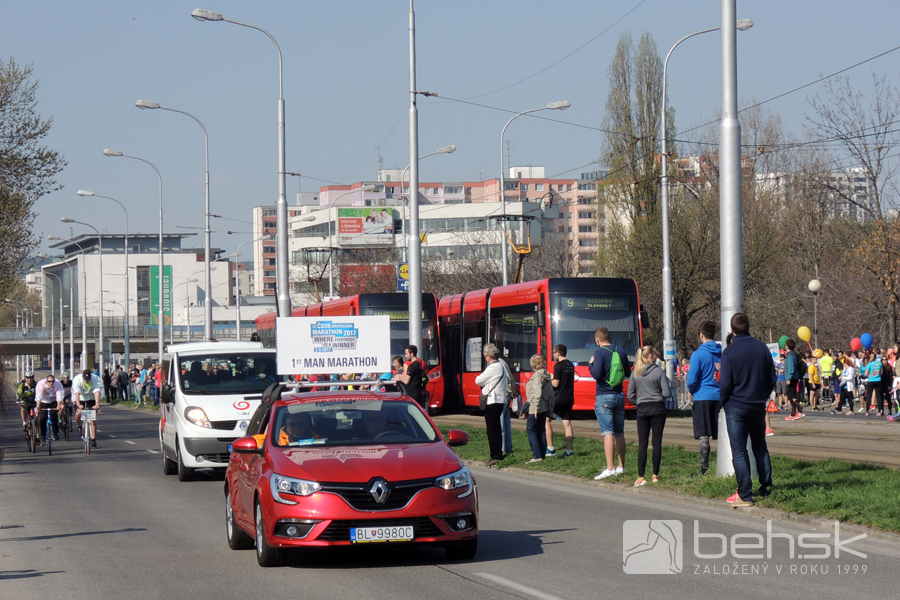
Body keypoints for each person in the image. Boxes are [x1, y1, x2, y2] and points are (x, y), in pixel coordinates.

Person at [719, 312, 776, 507]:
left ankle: (745, 494)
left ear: (732, 329)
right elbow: (772, 377)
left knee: (739, 451)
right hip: (757, 404)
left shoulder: (730, 352)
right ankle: (767, 487)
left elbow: (725, 383)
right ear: (748, 326)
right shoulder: (762, 348)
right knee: (760, 446)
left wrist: (724, 401)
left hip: (736, 405)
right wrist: (762, 395)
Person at [588, 326, 631, 480]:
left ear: (597, 340)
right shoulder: (621, 351)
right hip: (619, 395)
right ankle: (621, 466)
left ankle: (610, 468)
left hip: (604, 396)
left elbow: (596, 374)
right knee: (619, 433)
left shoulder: (599, 353)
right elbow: (628, 372)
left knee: (608, 433)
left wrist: (590, 364)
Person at [626, 345, 669, 487]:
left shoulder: (636, 373)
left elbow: (630, 395)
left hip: (642, 409)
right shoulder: (659, 372)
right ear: (651, 356)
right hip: (658, 408)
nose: (657, 356)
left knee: (642, 443)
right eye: (655, 354)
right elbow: (667, 393)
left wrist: (639, 402)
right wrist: (658, 397)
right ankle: (655, 475)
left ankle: (641, 476)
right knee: (657, 442)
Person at [686, 321, 722, 474]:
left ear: (701, 335)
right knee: (723, 434)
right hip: (719, 397)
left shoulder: (698, 355)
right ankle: (726, 465)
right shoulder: (722, 353)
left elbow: (692, 380)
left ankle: (705, 468)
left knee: (703, 435)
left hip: (702, 397)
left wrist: (693, 391)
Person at [475, 343, 506, 466]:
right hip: (498, 400)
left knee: (492, 430)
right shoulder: (500, 365)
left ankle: (496, 455)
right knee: (495, 428)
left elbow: (478, 380)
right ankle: (497, 453)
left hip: (493, 401)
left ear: (488, 356)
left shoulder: (493, 367)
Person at [524, 354, 553, 464]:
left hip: (535, 407)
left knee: (531, 430)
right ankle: (542, 454)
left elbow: (537, 391)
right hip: (544, 407)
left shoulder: (537, 376)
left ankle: (536, 455)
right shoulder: (546, 374)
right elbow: (550, 393)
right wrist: (550, 408)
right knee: (541, 431)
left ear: (533, 364)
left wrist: (536, 406)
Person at [547, 344, 575, 458]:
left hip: (558, 398)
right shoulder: (570, 364)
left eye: (554, 353)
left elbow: (556, 383)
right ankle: (569, 451)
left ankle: (551, 449)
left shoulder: (558, 365)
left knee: (546, 420)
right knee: (567, 423)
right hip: (569, 397)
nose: (554, 355)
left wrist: (549, 378)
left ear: (558, 353)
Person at [73, 368, 103, 448]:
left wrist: (97, 404)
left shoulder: (96, 379)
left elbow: (97, 392)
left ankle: (93, 439)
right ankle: (79, 426)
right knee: (78, 413)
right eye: (85, 379)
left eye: (88, 379)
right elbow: (77, 393)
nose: (87, 381)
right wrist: (78, 404)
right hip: (81, 398)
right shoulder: (77, 379)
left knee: (92, 420)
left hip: (91, 398)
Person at [34, 373, 65, 444]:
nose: (51, 383)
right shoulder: (41, 384)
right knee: (42, 418)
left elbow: (59, 395)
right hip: (43, 401)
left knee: (54, 415)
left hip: (53, 401)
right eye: (49, 381)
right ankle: (43, 436)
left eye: (52, 381)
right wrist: (38, 406)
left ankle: (55, 433)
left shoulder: (57, 384)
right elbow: (39, 396)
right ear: (46, 381)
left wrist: (59, 405)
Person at [783, 339, 804, 420]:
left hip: (792, 378)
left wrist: (788, 378)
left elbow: (791, 368)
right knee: (791, 396)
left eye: (786, 345)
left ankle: (800, 411)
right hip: (793, 377)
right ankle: (793, 413)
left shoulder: (790, 356)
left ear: (788, 346)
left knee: (792, 396)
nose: (785, 346)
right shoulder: (791, 355)